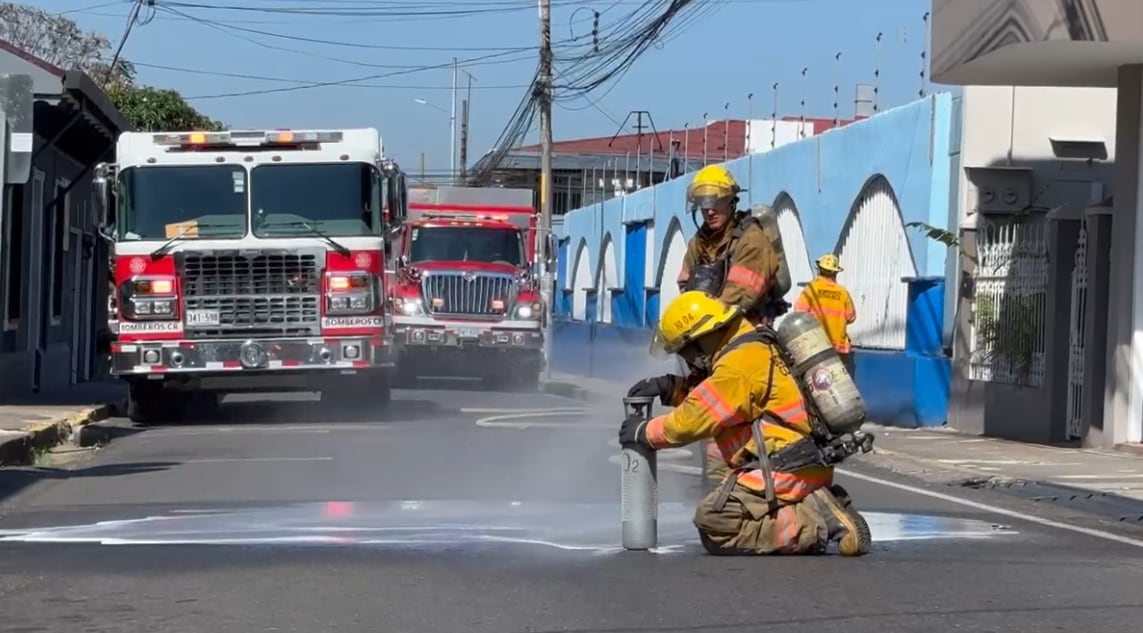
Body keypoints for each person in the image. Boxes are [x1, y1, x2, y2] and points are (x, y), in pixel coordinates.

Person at [622, 291, 872, 556]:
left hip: (783, 469)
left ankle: (820, 521)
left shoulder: (737, 365)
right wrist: (671, 388)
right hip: (802, 463)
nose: (687, 361)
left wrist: (644, 432)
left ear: (700, 339)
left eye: (685, 352)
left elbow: (692, 420)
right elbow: (728, 399)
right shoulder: (751, 345)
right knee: (724, 505)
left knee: (716, 521)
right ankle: (819, 503)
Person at [675, 164, 786, 327]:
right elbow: (685, 284)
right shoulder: (698, 243)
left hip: (746, 331)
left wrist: (704, 321)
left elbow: (738, 296)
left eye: (716, 202)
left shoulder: (751, 240)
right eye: (703, 204)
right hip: (707, 330)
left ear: (731, 202)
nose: (709, 211)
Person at [793, 254, 857, 378]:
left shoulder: (811, 289)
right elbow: (851, 317)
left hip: (816, 348)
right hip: (838, 349)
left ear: (819, 270)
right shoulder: (843, 292)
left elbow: (799, 311)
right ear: (835, 273)